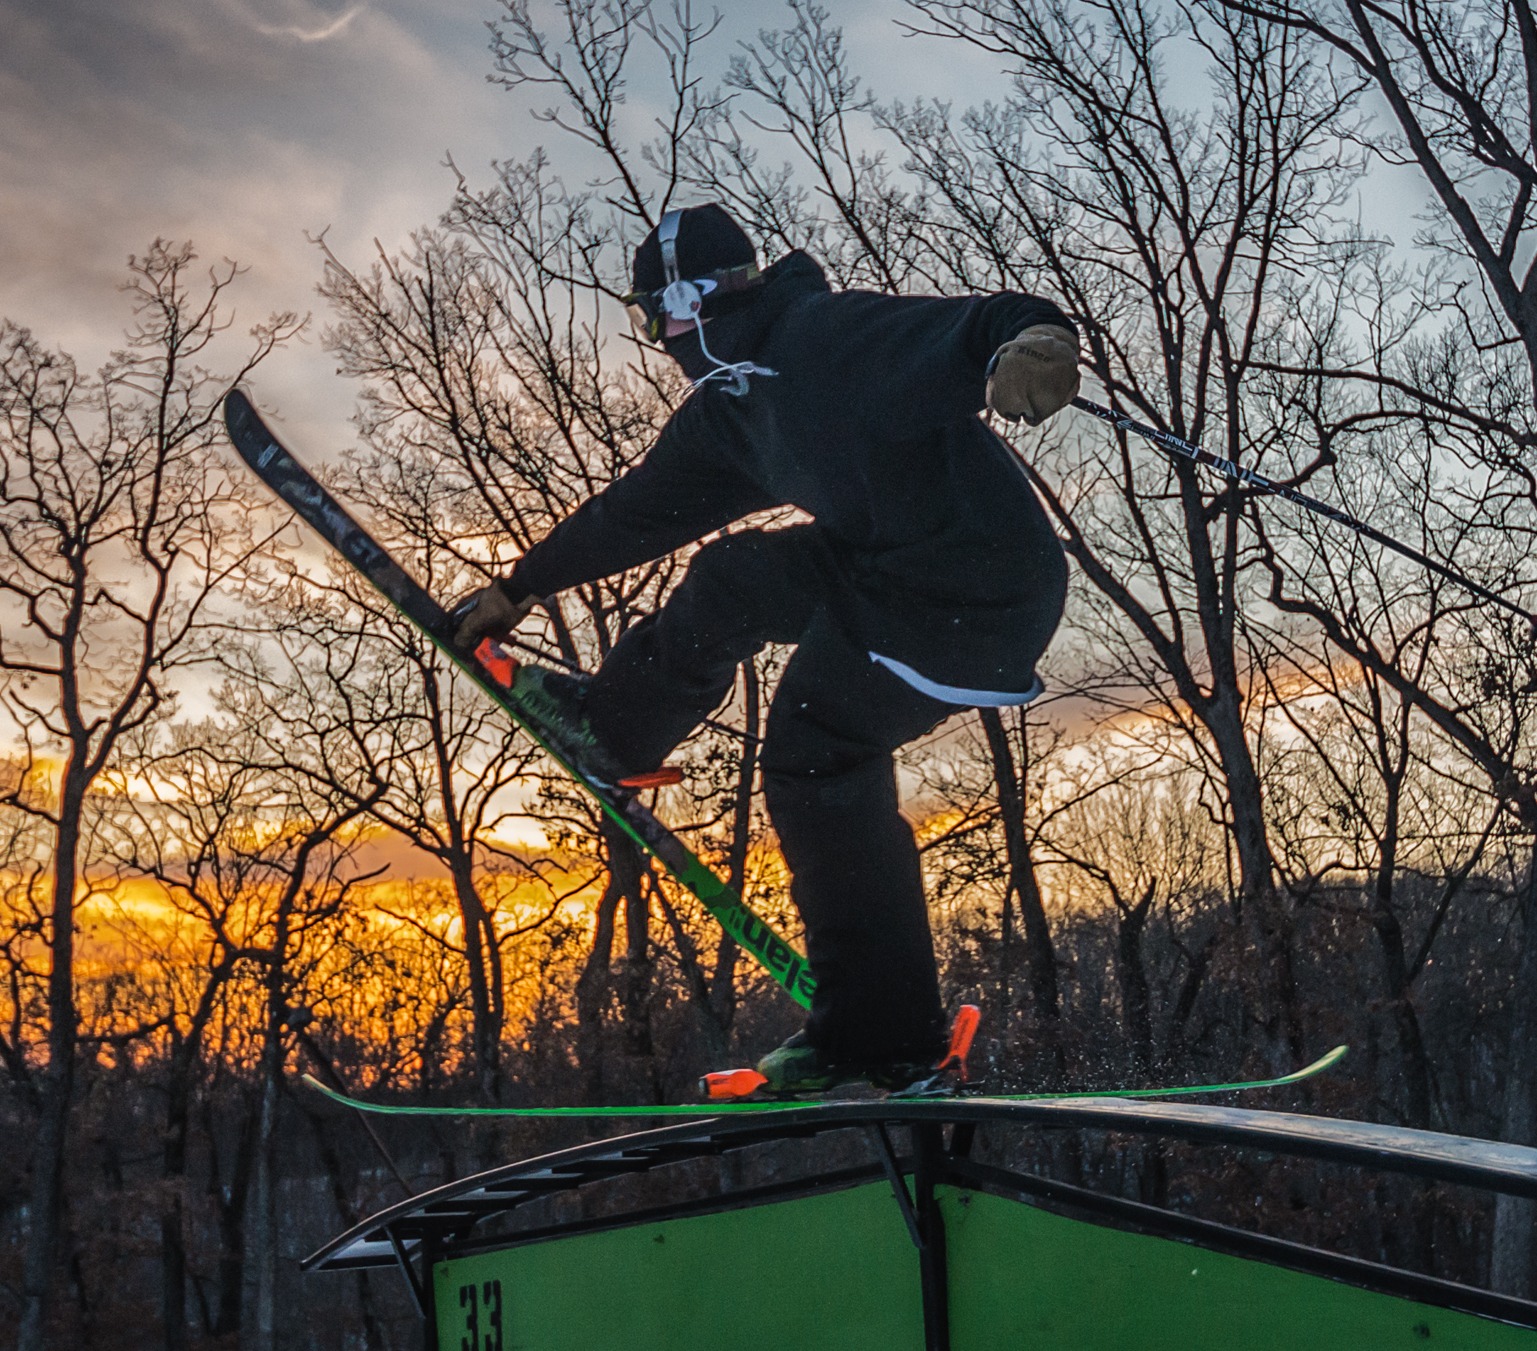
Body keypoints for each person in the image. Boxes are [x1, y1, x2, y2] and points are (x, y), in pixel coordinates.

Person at [448, 203, 1079, 1094]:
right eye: (645, 320)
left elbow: (981, 324)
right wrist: (520, 585)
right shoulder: (732, 414)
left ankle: (884, 1034)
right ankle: (618, 727)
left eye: (665, 312)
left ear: (706, 298)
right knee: (733, 576)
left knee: (815, 754)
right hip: (883, 569)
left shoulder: (821, 336)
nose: (663, 336)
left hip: (976, 592)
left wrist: (1033, 349)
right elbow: (641, 510)